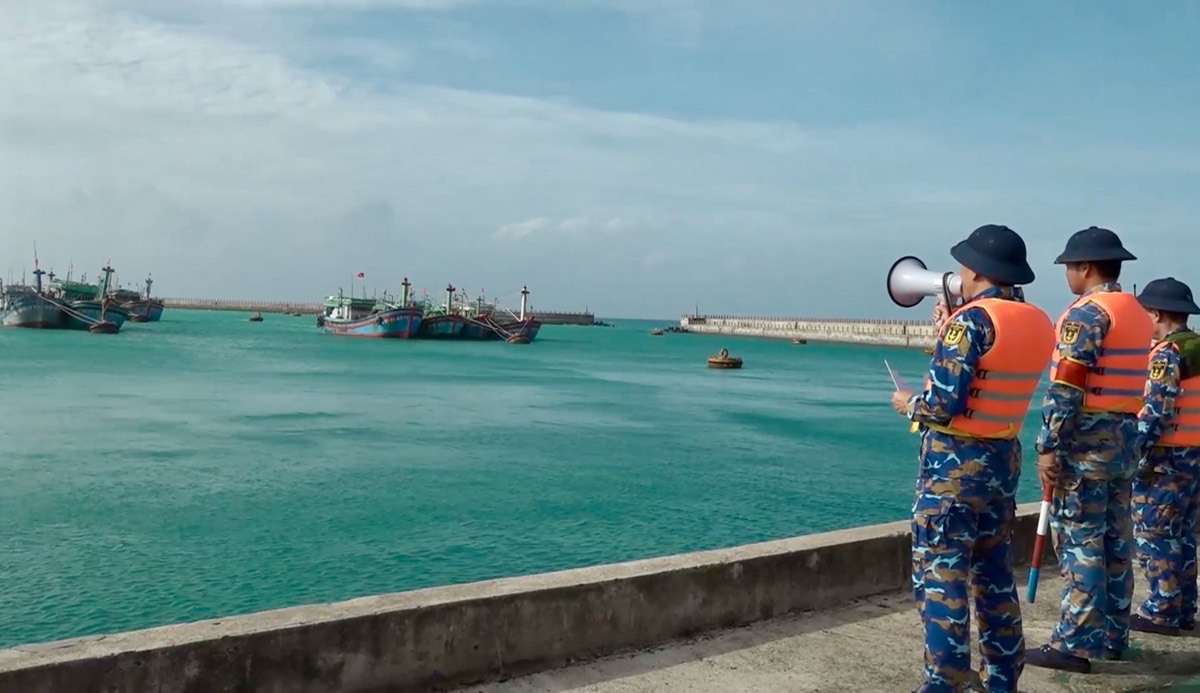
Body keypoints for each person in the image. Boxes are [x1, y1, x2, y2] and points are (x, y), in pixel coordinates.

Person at [890, 224, 1055, 693]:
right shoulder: (1037, 320)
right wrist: (950, 333)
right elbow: (992, 375)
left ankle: (945, 683)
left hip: (952, 472)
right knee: (995, 579)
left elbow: (942, 404)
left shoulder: (972, 323)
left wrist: (908, 404)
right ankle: (1003, 679)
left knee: (942, 583)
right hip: (1002, 465)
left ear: (978, 269)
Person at [1025, 226, 1152, 673]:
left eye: (1068, 267)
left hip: (1085, 448)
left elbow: (1066, 386)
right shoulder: (1137, 313)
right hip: (1124, 443)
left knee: (1080, 542)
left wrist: (1046, 445)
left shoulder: (1088, 315)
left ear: (1085, 267)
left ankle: (1076, 643)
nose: (1066, 276)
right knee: (1117, 543)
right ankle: (1114, 635)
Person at [1130, 278, 1200, 635]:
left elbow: (1156, 411)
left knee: (1155, 534)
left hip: (1165, 460)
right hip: (1194, 457)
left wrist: (1133, 456)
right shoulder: (1197, 348)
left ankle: (1161, 608)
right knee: (1185, 534)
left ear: (1156, 314)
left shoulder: (1166, 354)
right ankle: (1185, 606)